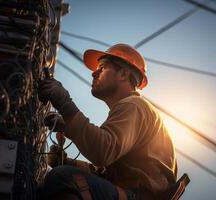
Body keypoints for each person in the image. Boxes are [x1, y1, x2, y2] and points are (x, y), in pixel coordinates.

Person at [38, 44, 177, 200]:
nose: (94, 73)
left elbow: (103, 151)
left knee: (62, 178)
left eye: (102, 68)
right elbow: (108, 171)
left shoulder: (133, 105)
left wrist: (65, 104)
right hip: (131, 193)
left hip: (137, 196)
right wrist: (68, 162)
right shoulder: (134, 109)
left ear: (123, 74)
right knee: (57, 178)